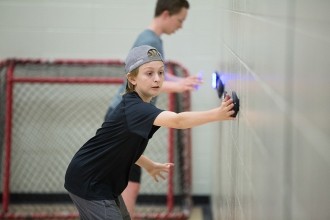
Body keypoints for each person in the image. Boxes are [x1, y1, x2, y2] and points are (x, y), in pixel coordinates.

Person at [65, 45, 235, 219]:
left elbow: (122, 149)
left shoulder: (137, 106)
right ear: (132, 79)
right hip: (89, 182)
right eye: (149, 73)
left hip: (97, 182)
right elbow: (178, 120)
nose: (157, 79)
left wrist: (149, 165)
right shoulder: (136, 109)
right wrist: (218, 114)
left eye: (161, 73)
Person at [103, 0, 201, 216]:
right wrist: (178, 86)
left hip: (130, 120)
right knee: (130, 182)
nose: (181, 26)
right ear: (166, 14)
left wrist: (181, 80)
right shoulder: (149, 39)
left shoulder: (152, 39)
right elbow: (147, 81)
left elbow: (154, 74)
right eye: (179, 20)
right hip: (125, 120)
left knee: (130, 180)